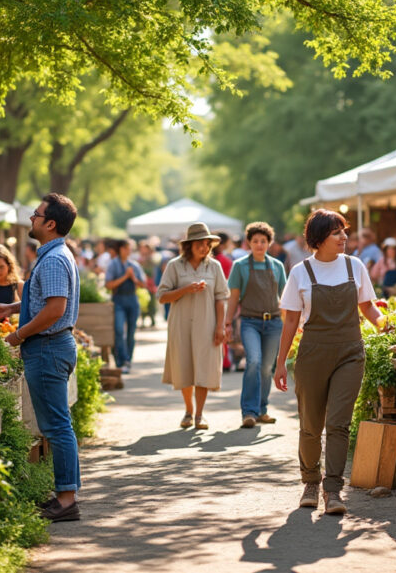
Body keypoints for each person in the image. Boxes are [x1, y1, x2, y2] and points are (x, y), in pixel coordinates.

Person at [273, 209, 384, 515]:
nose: (344, 237)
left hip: (350, 352)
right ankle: (310, 481)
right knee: (310, 425)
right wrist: (280, 363)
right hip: (312, 354)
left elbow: (368, 307)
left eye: (344, 231)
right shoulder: (300, 273)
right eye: (337, 233)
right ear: (319, 238)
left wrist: (384, 322)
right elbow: (291, 321)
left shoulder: (355, 267)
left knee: (338, 424)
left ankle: (332, 490)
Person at [0, 193, 82, 522]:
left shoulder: (55, 258)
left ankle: (67, 499)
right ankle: (65, 494)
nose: (31, 218)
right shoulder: (54, 255)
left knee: (58, 427)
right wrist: (13, 308)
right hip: (50, 345)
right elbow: (47, 300)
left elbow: (56, 308)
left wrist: (19, 334)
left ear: (51, 223)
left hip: (47, 346)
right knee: (57, 426)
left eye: (37, 215)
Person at [157, 222, 229, 430]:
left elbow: (221, 298)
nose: (204, 247)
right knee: (184, 367)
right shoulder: (174, 266)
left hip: (208, 324)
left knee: (204, 369)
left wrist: (220, 327)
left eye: (207, 243)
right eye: (199, 243)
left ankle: (200, 415)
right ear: (189, 245)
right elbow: (162, 297)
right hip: (181, 325)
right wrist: (186, 289)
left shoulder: (214, 267)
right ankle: (188, 410)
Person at [224, 222, 287, 428]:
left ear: (269, 243)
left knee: (267, 368)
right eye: (255, 241)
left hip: (274, 323)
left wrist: (292, 325)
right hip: (250, 322)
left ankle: (262, 409)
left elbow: (285, 299)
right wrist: (227, 323)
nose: (259, 245)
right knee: (253, 361)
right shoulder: (239, 266)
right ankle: (248, 412)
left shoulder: (277, 266)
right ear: (248, 243)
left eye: (263, 241)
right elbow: (233, 297)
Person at [105, 239, 147, 373]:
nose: (128, 251)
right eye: (126, 248)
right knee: (118, 330)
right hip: (118, 299)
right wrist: (125, 277)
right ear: (121, 249)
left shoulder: (134, 265)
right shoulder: (113, 264)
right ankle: (120, 360)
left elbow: (143, 284)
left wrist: (133, 278)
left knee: (131, 332)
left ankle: (128, 360)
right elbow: (108, 284)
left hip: (132, 299)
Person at [137, 240, 160, 327]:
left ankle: (152, 319)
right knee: (143, 302)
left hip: (150, 283)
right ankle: (143, 320)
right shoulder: (140, 259)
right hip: (143, 284)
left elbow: (152, 271)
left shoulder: (152, 258)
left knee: (151, 303)